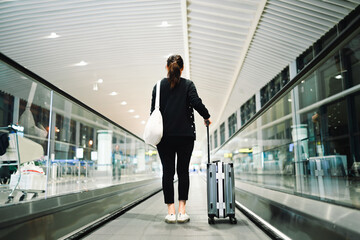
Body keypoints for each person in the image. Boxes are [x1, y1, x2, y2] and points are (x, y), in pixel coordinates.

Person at [149, 55, 211, 223]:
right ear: (181, 68)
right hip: (185, 136)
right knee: (183, 172)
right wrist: (206, 116)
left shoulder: (158, 86)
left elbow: (153, 112)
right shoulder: (188, 85)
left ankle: (170, 211)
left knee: (167, 173)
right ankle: (182, 211)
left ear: (166, 67)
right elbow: (196, 102)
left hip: (165, 137)